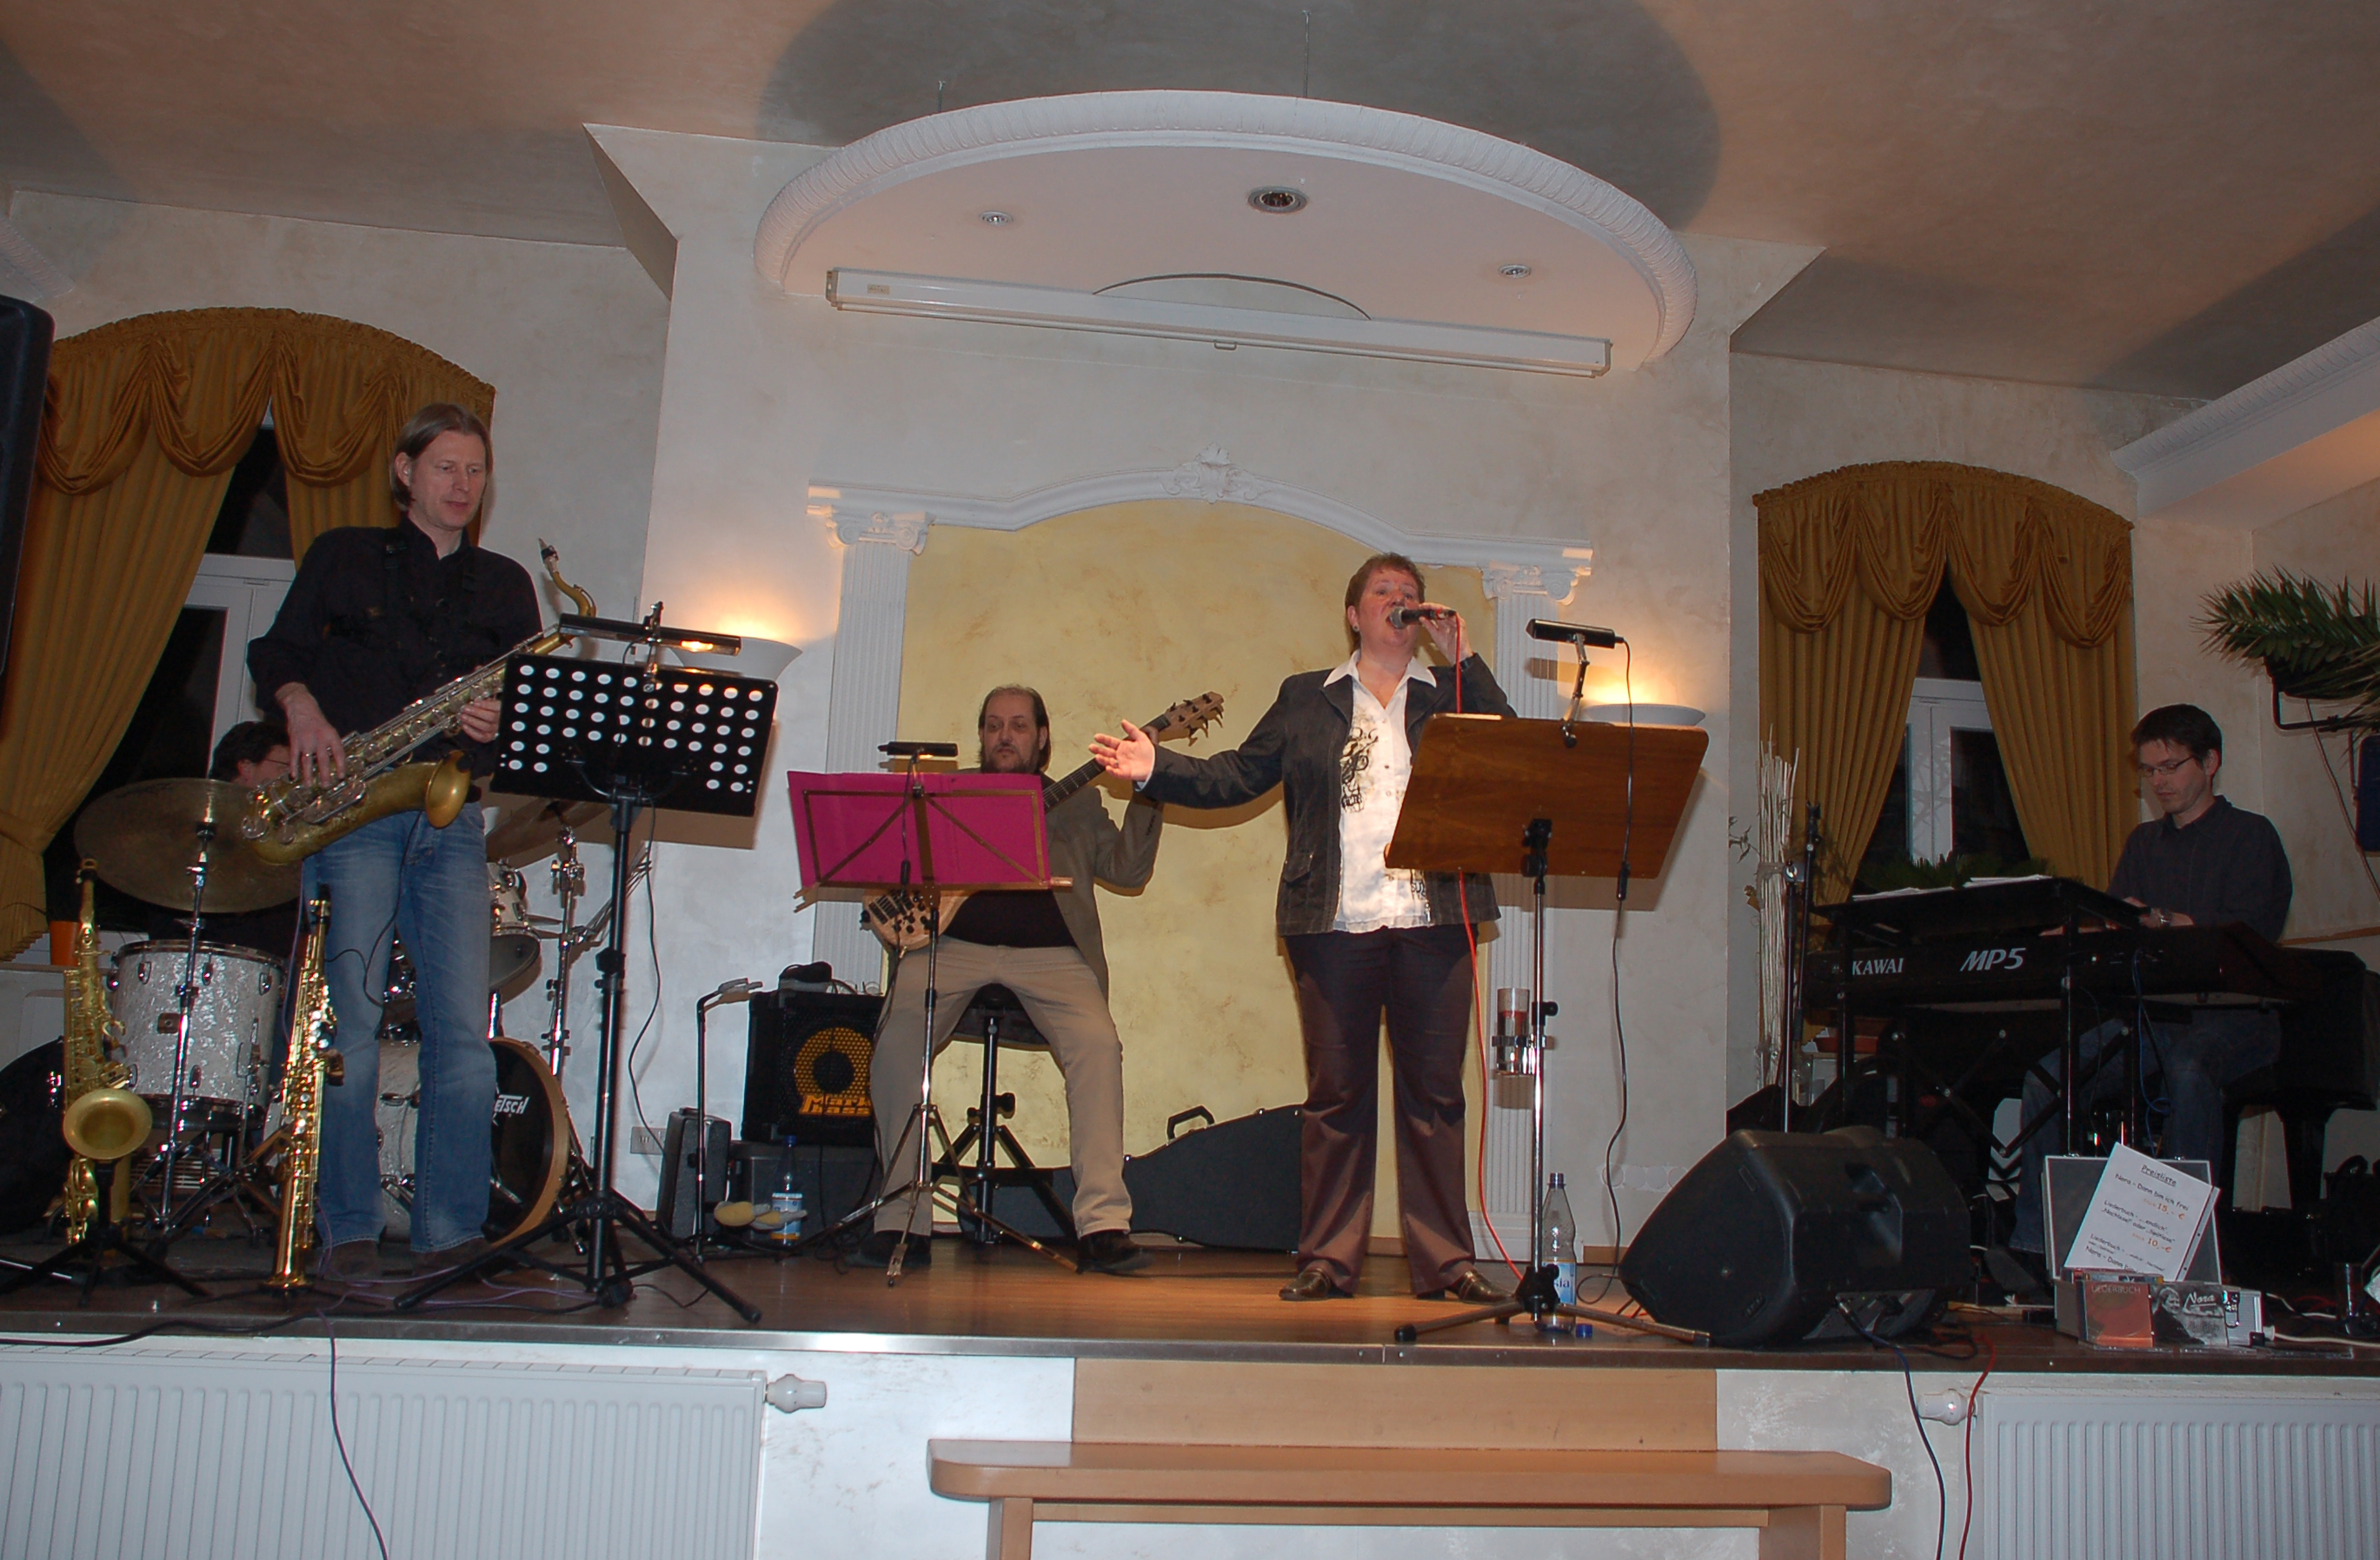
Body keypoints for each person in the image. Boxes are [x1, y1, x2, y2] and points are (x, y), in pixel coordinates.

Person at [1090, 553, 1514, 1303]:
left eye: (1410, 592)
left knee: (1435, 1096)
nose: (1400, 598)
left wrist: (1466, 663)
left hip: (1435, 919)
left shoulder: (1449, 693)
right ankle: (1329, 1258)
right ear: (1354, 614)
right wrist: (1157, 767)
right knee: (1337, 1096)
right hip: (1332, 920)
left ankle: (1448, 1262)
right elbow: (1236, 775)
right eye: (1383, 590)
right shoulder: (1307, 697)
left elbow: (1512, 758)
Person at [249, 403, 542, 1281]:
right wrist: (303, 708)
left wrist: (499, 719)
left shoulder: (504, 584)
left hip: (450, 818)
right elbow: (277, 652)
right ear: (405, 472)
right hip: (354, 812)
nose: (463, 484)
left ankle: (448, 1231)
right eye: (446, 467)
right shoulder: (342, 554)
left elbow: (525, 714)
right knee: (351, 1027)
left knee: (462, 1034)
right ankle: (345, 1227)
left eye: (476, 470)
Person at [861, 685, 1163, 1276]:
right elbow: (893, 861)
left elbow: (1128, 871)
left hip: (1052, 955)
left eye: (1019, 725)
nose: (1005, 735)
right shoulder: (946, 796)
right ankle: (901, 1217)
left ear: (1041, 737)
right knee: (895, 1039)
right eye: (994, 724)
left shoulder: (1075, 802)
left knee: (1099, 1047)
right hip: (950, 946)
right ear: (981, 735)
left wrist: (1149, 786)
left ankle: (1103, 1224)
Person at [2010, 702, 2293, 1262]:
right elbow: (2123, 925)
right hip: (2152, 1016)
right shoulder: (2143, 842)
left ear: (2210, 762)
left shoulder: (2251, 836)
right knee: (2047, 1079)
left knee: (2188, 1069)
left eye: (2171, 767)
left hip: (2235, 1016)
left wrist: (2161, 920)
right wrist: (2079, 930)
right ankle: (2034, 1248)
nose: (2158, 781)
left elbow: (2249, 938)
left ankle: (2177, 1250)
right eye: (2148, 770)